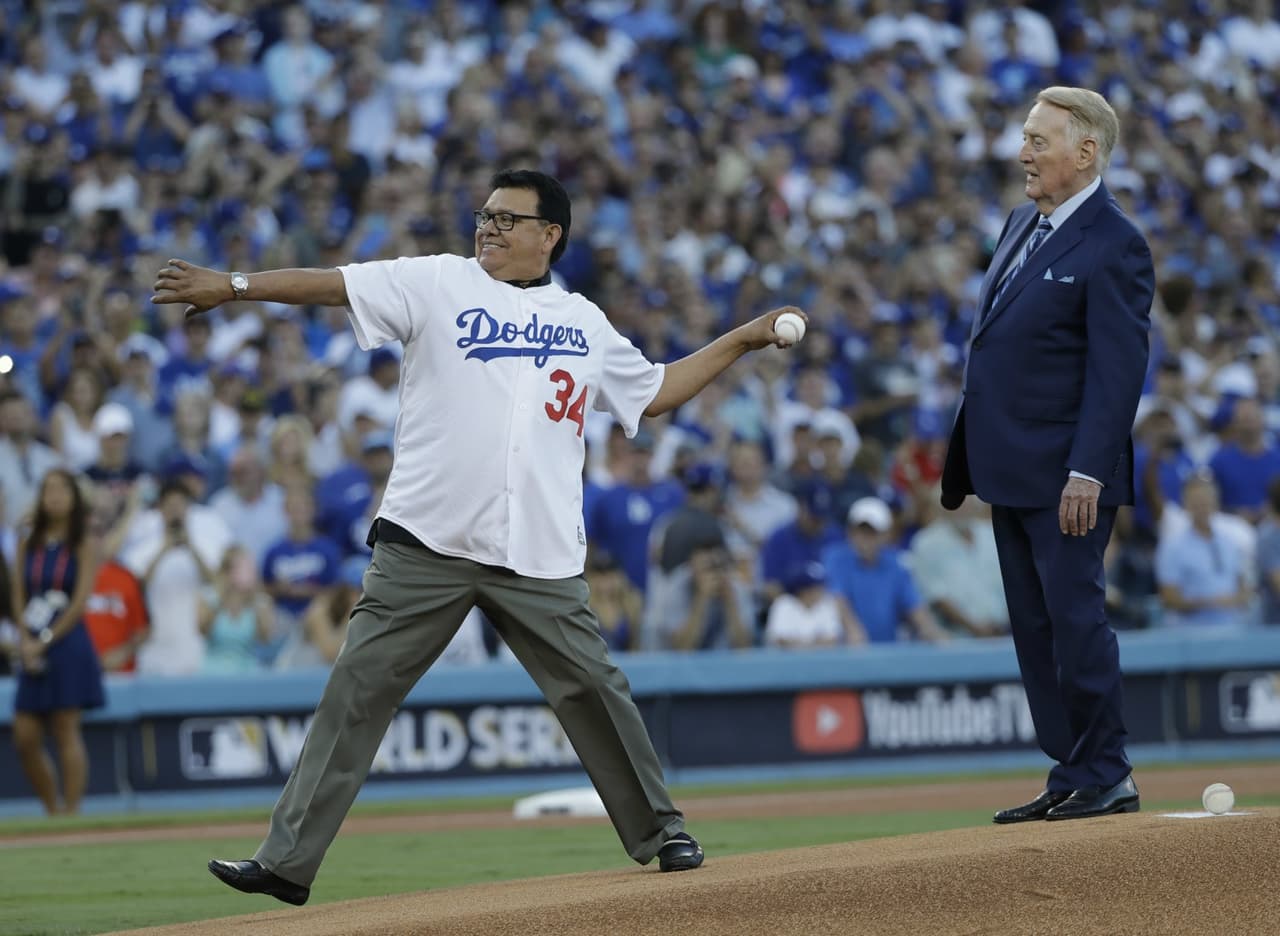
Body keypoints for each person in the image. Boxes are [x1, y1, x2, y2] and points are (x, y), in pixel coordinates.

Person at [153, 168, 806, 903]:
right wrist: (235, 286)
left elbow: (653, 393)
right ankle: (284, 862)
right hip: (425, 542)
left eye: (506, 218)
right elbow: (332, 285)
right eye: (484, 216)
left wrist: (743, 339)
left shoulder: (583, 320)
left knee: (596, 689)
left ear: (549, 235)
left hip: (537, 552)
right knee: (355, 691)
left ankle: (662, 831)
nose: (488, 227)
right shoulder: (438, 280)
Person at [940, 87, 1154, 823]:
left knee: (1074, 620)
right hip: (1010, 467)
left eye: (1038, 140)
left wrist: (1087, 471)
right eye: (1025, 138)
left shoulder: (1115, 242)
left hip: (1068, 475)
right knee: (1036, 632)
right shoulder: (1019, 223)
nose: (1022, 153)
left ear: (1085, 151)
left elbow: (1118, 372)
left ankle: (1107, 771)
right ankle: (1072, 769)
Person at [9, 469, 104, 815]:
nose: (54, 496)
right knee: (25, 735)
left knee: (65, 728)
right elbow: (18, 592)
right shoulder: (28, 540)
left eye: (62, 489)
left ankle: (71, 813)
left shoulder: (83, 542)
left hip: (67, 641)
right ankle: (52, 809)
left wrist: (45, 640)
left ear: (74, 498)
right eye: (48, 489)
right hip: (32, 639)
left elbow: (79, 602)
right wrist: (25, 638)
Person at [1154, 473, 1252, 630]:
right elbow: (1169, 598)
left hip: (1233, 629)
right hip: (1191, 633)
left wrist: (1240, 598)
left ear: (1216, 501)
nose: (1202, 507)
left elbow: (1243, 586)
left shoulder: (1230, 542)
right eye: (1196, 502)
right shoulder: (1172, 547)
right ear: (1186, 504)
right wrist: (1212, 603)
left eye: (1206, 500)